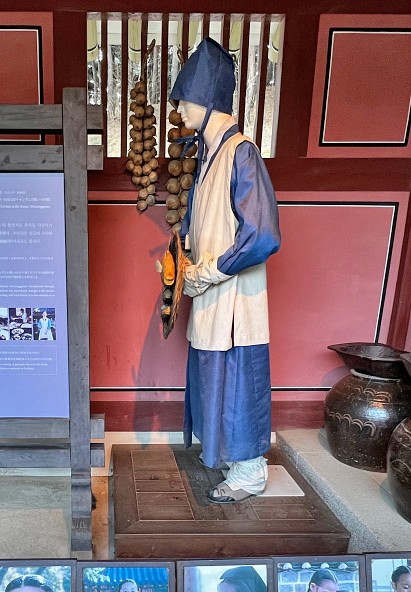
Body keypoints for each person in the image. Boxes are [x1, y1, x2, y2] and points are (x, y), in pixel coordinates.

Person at [171, 38, 281, 504]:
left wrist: (210, 271)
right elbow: (202, 223)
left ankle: (250, 473)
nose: (178, 109)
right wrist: (182, 259)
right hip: (210, 292)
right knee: (211, 376)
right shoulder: (207, 156)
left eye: (183, 99)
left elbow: (262, 236)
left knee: (237, 383)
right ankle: (226, 458)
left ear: (208, 98)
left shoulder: (241, 152)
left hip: (234, 298)